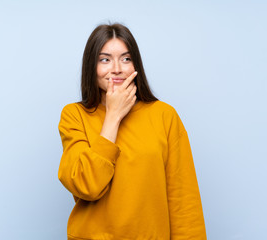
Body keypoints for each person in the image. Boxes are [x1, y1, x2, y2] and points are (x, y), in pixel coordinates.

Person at [57, 22, 207, 240]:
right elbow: (86, 185)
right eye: (105, 59)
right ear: (92, 65)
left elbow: (183, 201)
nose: (116, 68)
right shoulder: (74, 115)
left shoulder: (164, 115)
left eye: (126, 58)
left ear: (136, 64)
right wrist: (113, 116)